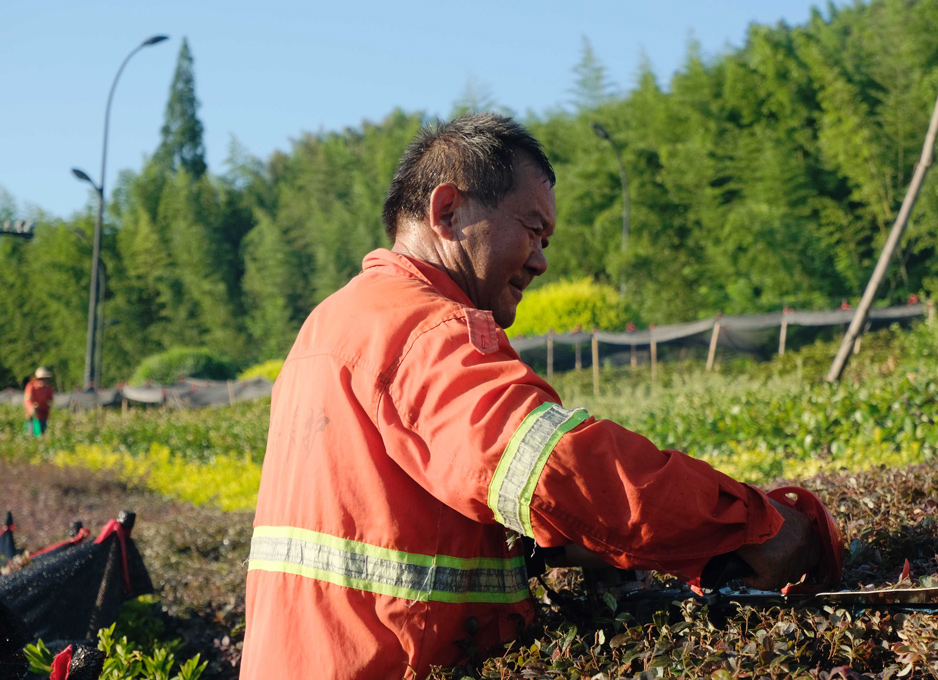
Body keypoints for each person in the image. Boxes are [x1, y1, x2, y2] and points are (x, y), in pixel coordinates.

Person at [240, 113, 831, 680]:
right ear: (448, 211)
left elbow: (400, 517)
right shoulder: (420, 330)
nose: (543, 260)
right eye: (532, 229)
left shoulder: (331, 327)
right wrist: (754, 524)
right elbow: (557, 467)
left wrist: (580, 546)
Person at [23, 367, 54, 436]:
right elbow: (27, 399)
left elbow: (50, 400)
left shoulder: (48, 389)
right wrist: (31, 408)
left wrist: (46, 407)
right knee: (31, 434)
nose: (44, 381)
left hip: (43, 415)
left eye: (45, 379)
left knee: (42, 433)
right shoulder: (31, 387)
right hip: (33, 415)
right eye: (42, 379)